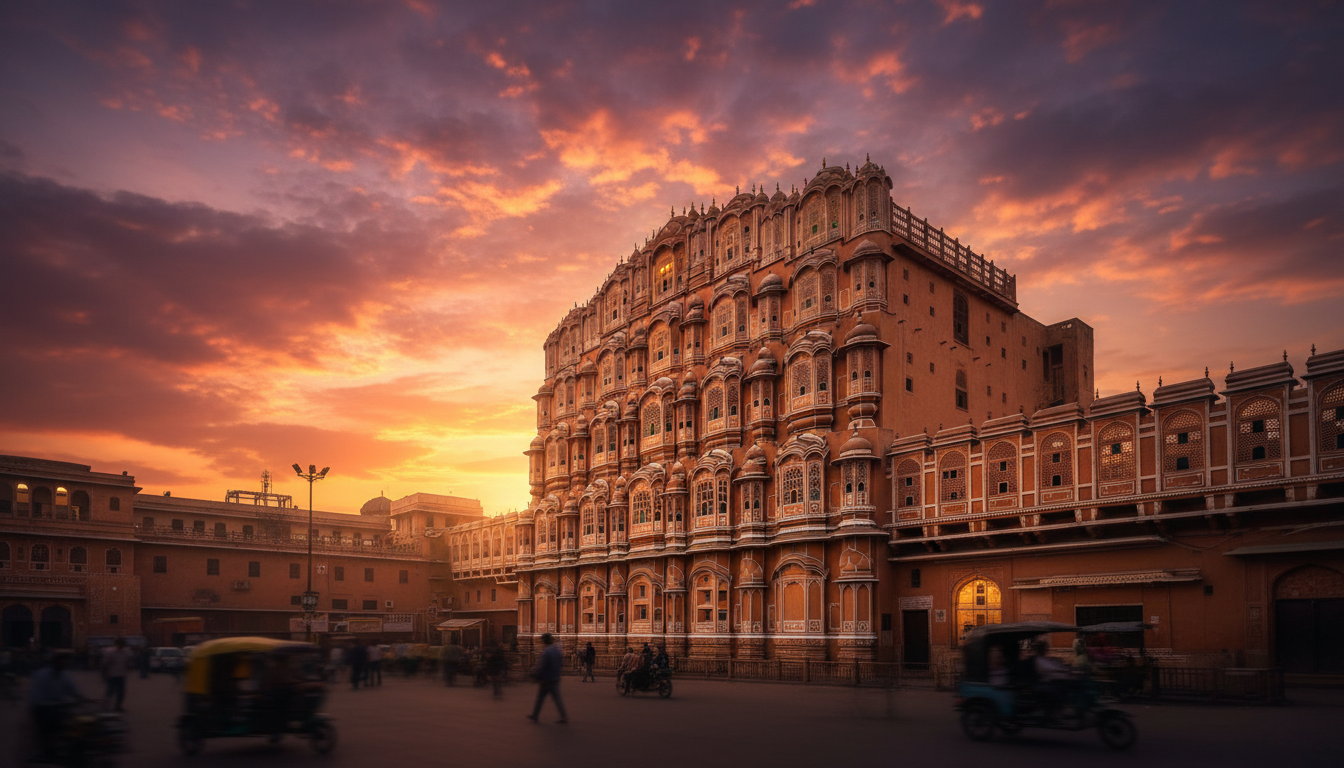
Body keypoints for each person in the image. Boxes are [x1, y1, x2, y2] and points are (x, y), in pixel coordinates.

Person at [29, 652, 85, 762]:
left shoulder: (65, 675)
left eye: (67, 661)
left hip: (58, 706)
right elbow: (37, 698)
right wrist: (57, 705)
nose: (65, 664)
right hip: (43, 708)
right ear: (55, 662)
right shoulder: (42, 675)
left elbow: (73, 691)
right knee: (49, 728)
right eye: (63, 661)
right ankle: (48, 752)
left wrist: (86, 699)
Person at [526, 633, 567, 724]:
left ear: (544, 641)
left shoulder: (546, 652)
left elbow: (542, 666)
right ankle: (563, 716)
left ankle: (535, 715)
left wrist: (536, 676)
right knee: (556, 698)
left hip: (546, 679)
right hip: (554, 677)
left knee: (540, 698)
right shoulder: (556, 650)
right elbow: (561, 663)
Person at [101, 637, 134, 711]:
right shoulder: (110, 652)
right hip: (111, 675)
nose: (121, 646)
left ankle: (118, 706)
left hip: (121, 675)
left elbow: (128, 662)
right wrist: (104, 675)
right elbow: (104, 664)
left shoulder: (126, 652)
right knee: (109, 692)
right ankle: (104, 707)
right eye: (120, 644)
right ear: (117, 644)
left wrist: (129, 667)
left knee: (121, 693)